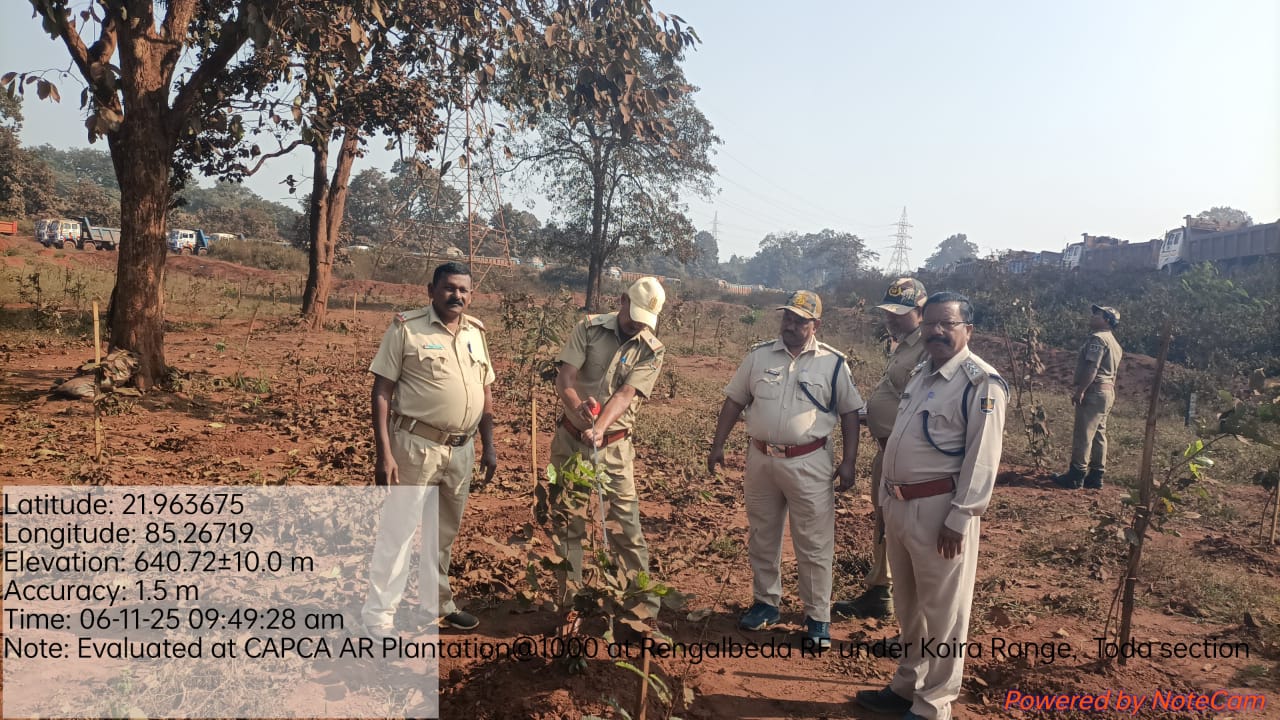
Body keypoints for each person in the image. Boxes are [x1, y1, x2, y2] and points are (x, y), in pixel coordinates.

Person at [855, 291, 1006, 720]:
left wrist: (961, 517)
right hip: (900, 507)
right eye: (931, 324)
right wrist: (886, 499)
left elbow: (983, 457)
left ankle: (934, 704)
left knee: (944, 614)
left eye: (948, 324)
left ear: (967, 330)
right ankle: (907, 685)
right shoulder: (922, 373)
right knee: (909, 606)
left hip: (941, 512)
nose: (937, 331)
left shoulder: (981, 383)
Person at [707, 290, 863, 650]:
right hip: (761, 459)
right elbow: (734, 401)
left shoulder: (833, 363)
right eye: (787, 318)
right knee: (763, 533)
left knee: (814, 542)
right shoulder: (759, 356)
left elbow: (850, 413)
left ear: (815, 325)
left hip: (809, 462)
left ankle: (817, 616)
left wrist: (849, 461)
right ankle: (766, 603)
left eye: (799, 321)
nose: (790, 325)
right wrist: (718, 445)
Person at [361, 262, 497, 639]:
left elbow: (485, 391)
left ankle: (436, 603)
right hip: (415, 447)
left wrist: (489, 445)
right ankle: (379, 616)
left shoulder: (475, 332)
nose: (457, 295)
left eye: (464, 290)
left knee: (442, 534)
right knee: (400, 531)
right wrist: (384, 453)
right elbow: (382, 391)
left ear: (472, 295)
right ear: (431, 290)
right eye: (449, 288)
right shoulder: (407, 328)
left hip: (462, 449)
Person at [550, 277, 667, 622]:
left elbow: (626, 394)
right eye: (635, 316)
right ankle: (569, 603)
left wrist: (599, 428)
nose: (638, 325)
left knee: (626, 528)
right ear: (622, 300)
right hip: (570, 441)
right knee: (568, 522)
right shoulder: (588, 328)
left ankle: (641, 611)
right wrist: (578, 407)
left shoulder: (652, 349)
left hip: (614, 448)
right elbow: (565, 377)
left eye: (646, 320)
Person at [834, 277, 929, 621]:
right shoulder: (903, 344)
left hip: (909, 459)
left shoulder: (929, 347)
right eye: (888, 311)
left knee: (903, 526)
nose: (891, 317)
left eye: (899, 312)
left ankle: (906, 606)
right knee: (885, 520)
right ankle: (880, 590)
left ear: (922, 311)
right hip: (887, 452)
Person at [1054, 304, 1122, 490]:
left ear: (1107, 320)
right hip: (1107, 391)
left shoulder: (1098, 339)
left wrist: (1081, 391)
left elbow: (1093, 367)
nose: (1093, 317)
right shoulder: (1115, 344)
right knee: (1099, 433)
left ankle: (1076, 475)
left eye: (1097, 315)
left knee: (1083, 434)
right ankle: (1096, 475)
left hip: (1094, 390)